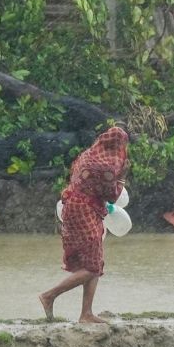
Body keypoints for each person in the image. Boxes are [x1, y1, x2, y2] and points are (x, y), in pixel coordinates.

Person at [39, 126, 129, 324]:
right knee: (92, 267)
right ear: (119, 145)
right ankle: (49, 295)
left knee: (95, 261)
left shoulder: (89, 154)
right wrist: (122, 176)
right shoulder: (107, 166)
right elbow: (112, 196)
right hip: (85, 210)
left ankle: (86, 314)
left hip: (73, 205)